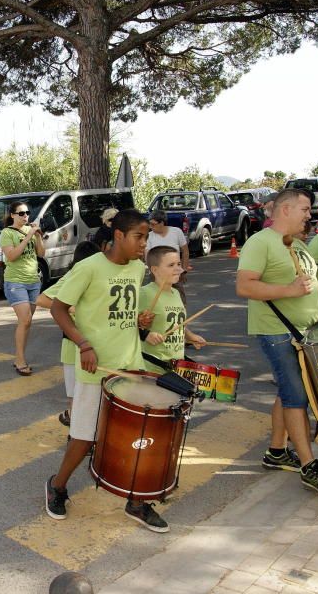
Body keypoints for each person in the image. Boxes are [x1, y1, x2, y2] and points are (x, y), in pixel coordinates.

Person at [44, 210, 169, 530]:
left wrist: (141, 321)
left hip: (131, 365)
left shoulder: (139, 269)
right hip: (95, 367)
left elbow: (126, 312)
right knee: (84, 438)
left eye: (147, 237)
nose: (144, 244)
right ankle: (57, 485)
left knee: (136, 438)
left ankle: (137, 502)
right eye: (138, 237)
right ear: (118, 236)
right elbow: (57, 307)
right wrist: (83, 345)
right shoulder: (88, 268)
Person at [236, 189, 318, 492]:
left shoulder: (297, 244)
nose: (309, 214)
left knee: (289, 391)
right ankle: (309, 466)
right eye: (305, 209)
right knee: (297, 396)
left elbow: (310, 284)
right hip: (277, 332)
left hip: (303, 330)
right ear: (284, 210)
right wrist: (290, 292)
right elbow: (245, 287)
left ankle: (276, 452)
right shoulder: (259, 243)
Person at [36, 240, 101, 427]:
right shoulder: (76, 274)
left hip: (97, 341)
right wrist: (71, 308)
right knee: (76, 394)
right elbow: (42, 299)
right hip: (74, 343)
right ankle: (75, 430)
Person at [140, 246, 207, 374]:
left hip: (176, 366)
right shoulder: (145, 293)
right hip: (153, 368)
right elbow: (126, 324)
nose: (177, 269)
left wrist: (190, 336)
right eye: (171, 265)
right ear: (155, 270)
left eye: (178, 264)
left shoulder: (176, 293)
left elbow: (176, 324)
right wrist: (146, 335)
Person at [0, 200, 45, 376]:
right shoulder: (6, 233)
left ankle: (19, 356)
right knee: (25, 320)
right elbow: (11, 256)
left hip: (33, 281)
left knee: (26, 323)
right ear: (12, 215)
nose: (25, 216)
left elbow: (41, 254)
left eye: (27, 213)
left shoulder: (30, 230)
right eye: (21, 213)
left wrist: (38, 236)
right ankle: (20, 360)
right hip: (15, 282)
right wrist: (28, 236)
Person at [145, 210, 191, 305]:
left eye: (153, 224)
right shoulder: (149, 236)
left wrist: (183, 270)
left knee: (180, 300)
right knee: (156, 302)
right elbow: (147, 257)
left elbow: (185, 252)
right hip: (156, 275)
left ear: (162, 223)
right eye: (149, 224)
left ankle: (181, 318)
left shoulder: (176, 232)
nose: (150, 227)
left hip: (175, 273)